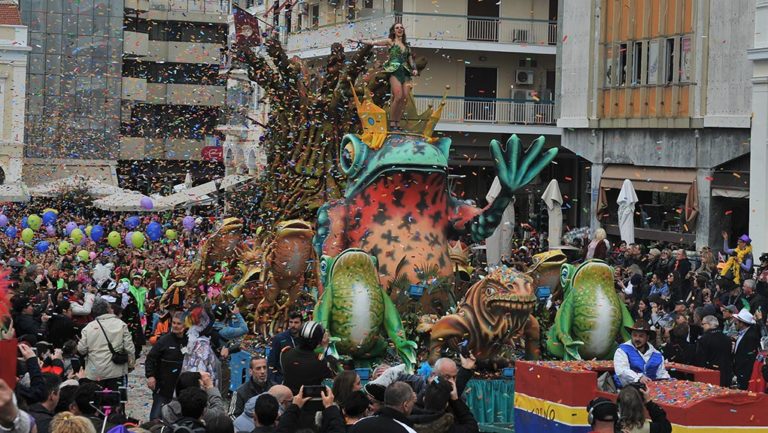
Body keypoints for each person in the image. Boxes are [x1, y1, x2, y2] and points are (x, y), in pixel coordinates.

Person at [357, 23, 418, 129]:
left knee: (404, 98)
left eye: (401, 27)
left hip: (405, 71)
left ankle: (398, 122)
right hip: (394, 70)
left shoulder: (407, 46)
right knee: (398, 96)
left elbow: (410, 60)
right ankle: (392, 122)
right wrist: (359, 41)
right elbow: (373, 42)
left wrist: (414, 69)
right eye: (397, 28)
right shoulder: (390, 42)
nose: (399, 29)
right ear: (393, 31)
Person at [76, 297, 135, 390]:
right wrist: (131, 364)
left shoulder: (88, 328)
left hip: (95, 372)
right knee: (117, 398)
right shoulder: (121, 324)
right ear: (108, 309)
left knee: (96, 399)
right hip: (116, 371)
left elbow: (81, 349)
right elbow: (129, 347)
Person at [145, 312, 187, 420]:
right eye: (173, 323)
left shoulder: (189, 341)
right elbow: (150, 358)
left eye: (179, 324)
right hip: (163, 388)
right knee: (156, 418)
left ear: (185, 325)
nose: (175, 326)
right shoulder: (164, 340)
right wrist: (150, 376)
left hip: (182, 390)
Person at [280, 321, 335, 395]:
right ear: (318, 341)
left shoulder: (285, 353)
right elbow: (331, 376)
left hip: (289, 400)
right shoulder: (320, 361)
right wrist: (325, 347)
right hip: (311, 402)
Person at [613, 319, 671, 387]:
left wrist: (667, 381)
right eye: (634, 335)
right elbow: (622, 371)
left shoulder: (657, 355)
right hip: (627, 390)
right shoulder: (622, 350)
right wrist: (639, 378)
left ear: (647, 338)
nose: (637, 339)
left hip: (652, 389)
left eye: (641, 336)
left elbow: (661, 374)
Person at [410, 378, 478, 433]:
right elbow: (471, 425)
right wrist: (455, 400)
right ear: (446, 405)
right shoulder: (451, 429)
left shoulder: (407, 423)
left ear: (424, 399)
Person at [160, 371, 226, 426]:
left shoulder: (166, 409)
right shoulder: (201, 412)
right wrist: (210, 387)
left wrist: (195, 375)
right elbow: (219, 413)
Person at [350, 382, 417, 433]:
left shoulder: (359, 424)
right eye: (412, 402)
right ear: (406, 405)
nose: (369, 407)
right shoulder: (407, 431)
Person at [695, 315, 733, 387]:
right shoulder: (727, 338)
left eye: (703, 324)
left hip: (709, 374)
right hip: (726, 373)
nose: (702, 326)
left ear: (708, 324)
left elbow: (700, 358)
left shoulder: (704, 339)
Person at [268, 311, 301, 384]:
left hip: (300, 378)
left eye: (296, 322)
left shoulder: (305, 338)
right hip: (283, 379)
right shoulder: (279, 338)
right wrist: (273, 381)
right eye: (291, 322)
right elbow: (271, 362)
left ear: (302, 323)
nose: (293, 325)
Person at [733, 309, 762, 389]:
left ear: (742, 323)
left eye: (737, 321)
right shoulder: (744, 333)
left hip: (744, 373)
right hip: (739, 371)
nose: (735, 322)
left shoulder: (750, 337)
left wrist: (741, 374)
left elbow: (748, 357)